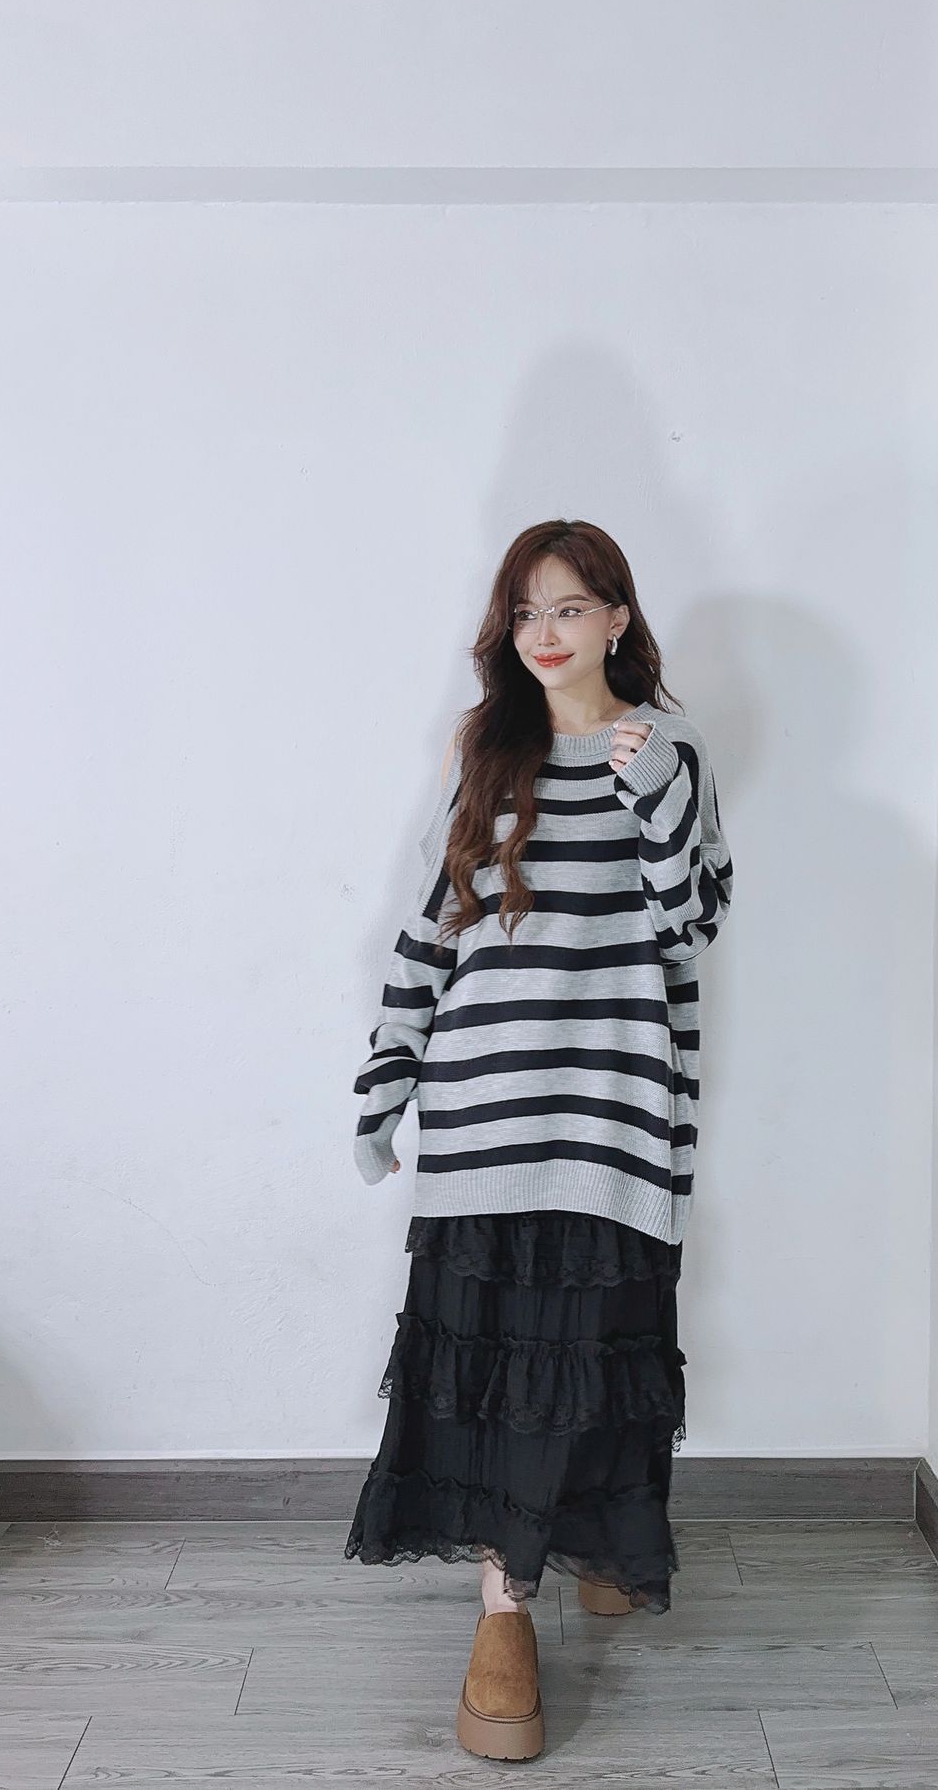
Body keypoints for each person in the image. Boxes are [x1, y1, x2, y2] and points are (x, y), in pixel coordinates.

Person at [343, 517, 734, 1760]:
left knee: (596, 1348)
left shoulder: (666, 749)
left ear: (617, 616)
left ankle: (599, 1539)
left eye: (568, 607)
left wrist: (650, 790)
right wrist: (386, 1080)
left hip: (612, 1111)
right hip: (484, 1110)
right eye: (525, 611)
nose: (545, 632)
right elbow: (432, 926)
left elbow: (692, 920)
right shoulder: (487, 750)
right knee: (498, 1361)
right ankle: (503, 1611)